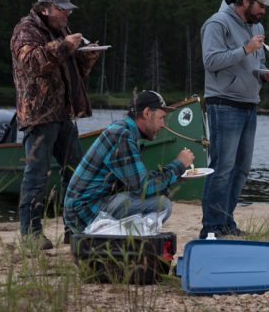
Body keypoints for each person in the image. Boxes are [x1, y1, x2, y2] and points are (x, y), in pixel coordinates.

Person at [11, 0, 99, 249]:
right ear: (46, 8)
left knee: (78, 170)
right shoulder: (26, 29)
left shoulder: (60, 32)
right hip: (38, 115)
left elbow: (72, 73)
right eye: (63, 10)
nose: (67, 16)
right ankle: (31, 234)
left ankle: (74, 228)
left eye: (68, 11)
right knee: (37, 174)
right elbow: (33, 63)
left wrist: (88, 56)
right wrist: (65, 46)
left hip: (63, 112)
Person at [199, 0, 269, 239]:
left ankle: (226, 222)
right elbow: (211, 61)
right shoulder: (217, 24)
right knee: (222, 167)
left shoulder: (256, 26)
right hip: (223, 103)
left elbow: (256, 63)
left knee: (241, 169)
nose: (263, 12)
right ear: (245, 1)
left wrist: (265, 75)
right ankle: (211, 228)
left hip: (249, 104)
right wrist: (245, 48)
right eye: (260, 6)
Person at [63, 90, 195, 234]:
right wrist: (179, 164)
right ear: (146, 113)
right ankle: (117, 238)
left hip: (89, 206)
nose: (163, 124)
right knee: (162, 206)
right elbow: (144, 187)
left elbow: (136, 183)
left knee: (157, 198)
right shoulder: (122, 135)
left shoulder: (124, 131)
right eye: (161, 117)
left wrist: (175, 176)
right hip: (84, 213)